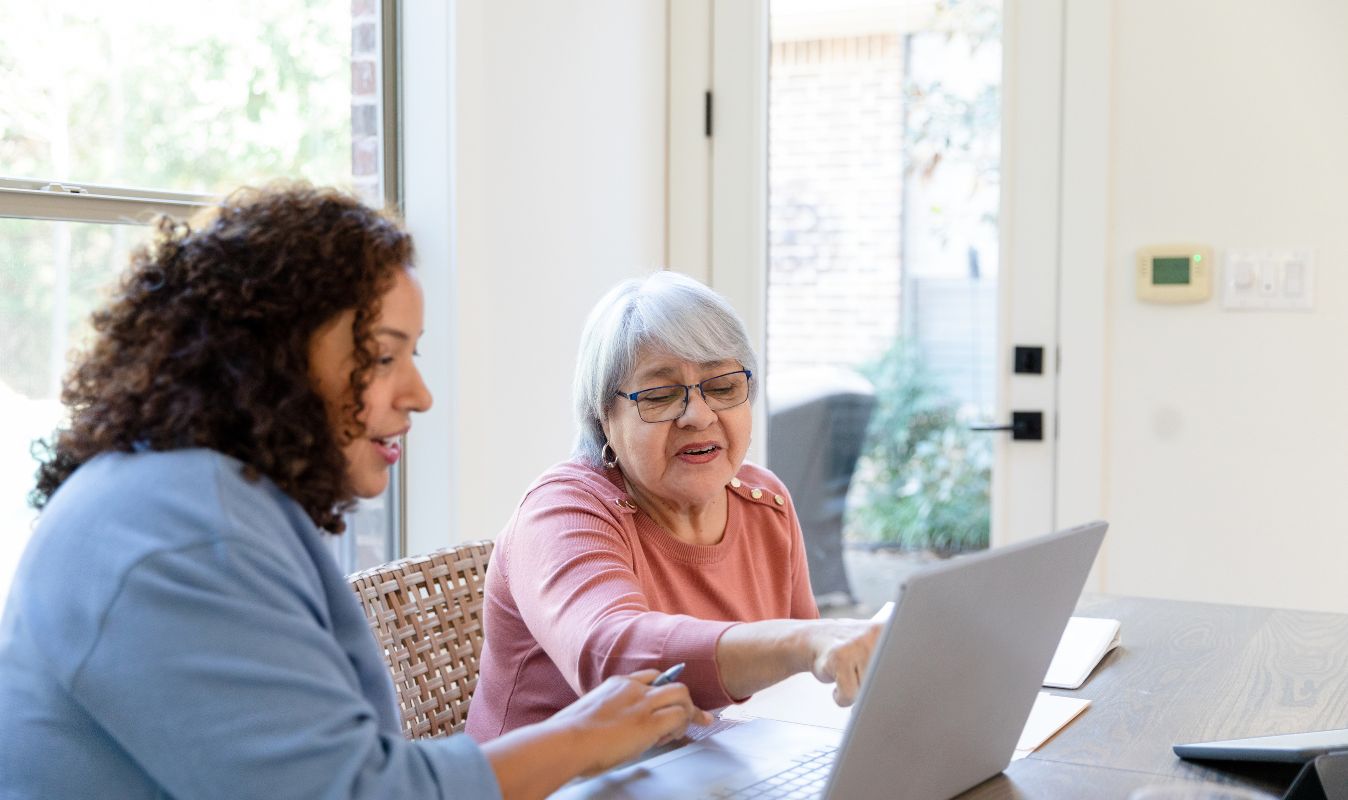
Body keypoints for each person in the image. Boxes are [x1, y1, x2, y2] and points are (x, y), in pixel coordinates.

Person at [0, 185, 708, 800]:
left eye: (413, 353)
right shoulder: (178, 538)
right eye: (381, 356)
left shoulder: (197, 500)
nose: (420, 395)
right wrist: (582, 738)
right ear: (268, 356)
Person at [467, 271, 881, 742]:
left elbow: (804, 688)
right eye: (661, 396)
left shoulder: (764, 503)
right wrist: (801, 643)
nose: (699, 416)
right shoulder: (562, 511)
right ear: (605, 416)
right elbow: (612, 659)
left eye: (723, 387)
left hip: (716, 775)